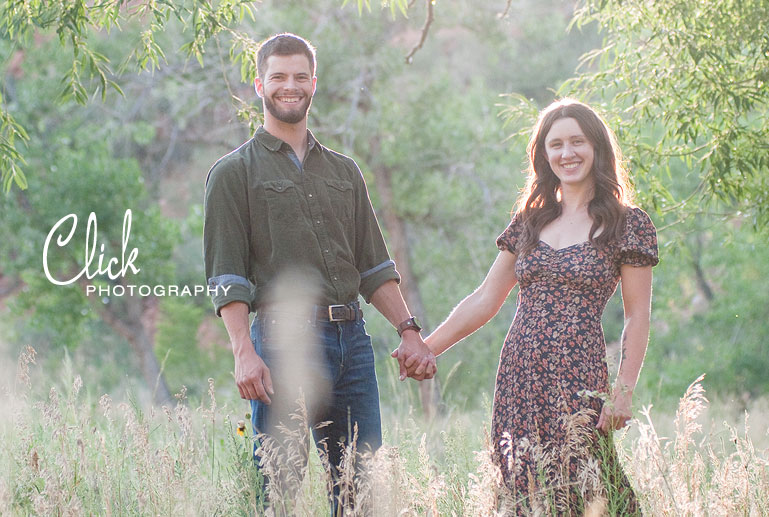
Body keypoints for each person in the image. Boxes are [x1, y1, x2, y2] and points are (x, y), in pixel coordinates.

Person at [202, 33, 435, 513]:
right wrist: (244, 353)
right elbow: (227, 274)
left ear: (314, 83)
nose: (291, 86)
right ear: (260, 85)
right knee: (278, 487)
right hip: (283, 343)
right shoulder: (233, 174)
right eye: (279, 77)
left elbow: (374, 266)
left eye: (300, 77)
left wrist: (409, 332)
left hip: (353, 340)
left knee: (361, 487)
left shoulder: (345, 173)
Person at [422, 99, 658, 514]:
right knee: (523, 491)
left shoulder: (627, 223)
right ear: (544, 155)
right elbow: (484, 299)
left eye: (577, 142)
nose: (567, 153)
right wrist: (427, 347)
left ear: (597, 148)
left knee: (591, 487)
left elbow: (638, 316)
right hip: (519, 377)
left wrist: (621, 391)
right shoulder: (530, 221)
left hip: (578, 376)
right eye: (556, 145)